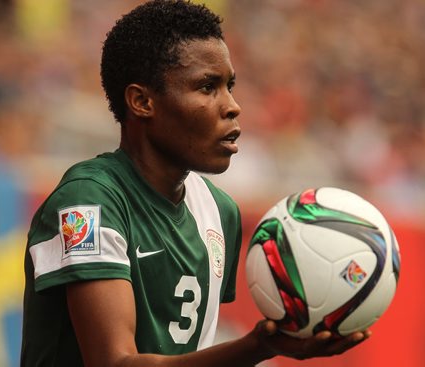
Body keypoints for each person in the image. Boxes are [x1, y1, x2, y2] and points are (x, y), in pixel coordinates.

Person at [21, 1, 371, 366]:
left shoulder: (221, 213)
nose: (232, 106)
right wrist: (260, 346)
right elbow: (115, 362)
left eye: (229, 86)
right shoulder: (88, 202)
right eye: (207, 87)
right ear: (142, 101)